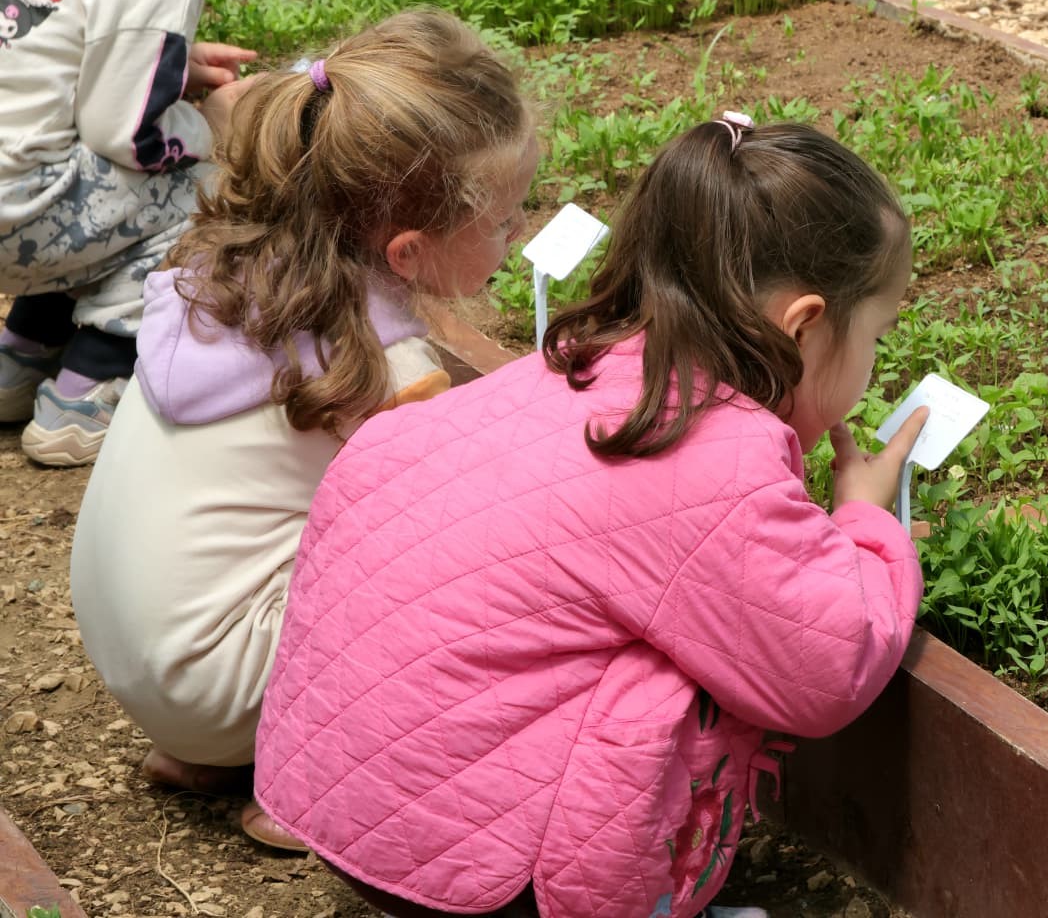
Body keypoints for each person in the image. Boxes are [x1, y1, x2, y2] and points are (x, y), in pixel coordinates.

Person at [252, 115, 930, 918]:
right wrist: (860, 524)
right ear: (806, 324)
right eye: (879, 334)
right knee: (700, 659)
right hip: (482, 878)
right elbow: (829, 666)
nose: (877, 359)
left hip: (345, 811)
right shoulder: (713, 454)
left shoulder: (563, 375)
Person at [69, 9, 539, 852]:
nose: (515, 236)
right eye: (503, 220)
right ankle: (306, 783)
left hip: (138, 652)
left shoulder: (223, 272)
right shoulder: (386, 370)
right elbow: (465, 538)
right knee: (461, 577)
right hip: (214, 680)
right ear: (407, 253)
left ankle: (213, 754)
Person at [0, 0, 255, 466]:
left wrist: (167, 67)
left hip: (13, 201)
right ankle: (88, 387)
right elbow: (127, 139)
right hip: (17, 215)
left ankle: (23, 354)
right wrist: (213, 123)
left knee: (67, 169)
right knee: (209, 189)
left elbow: (43, 66)